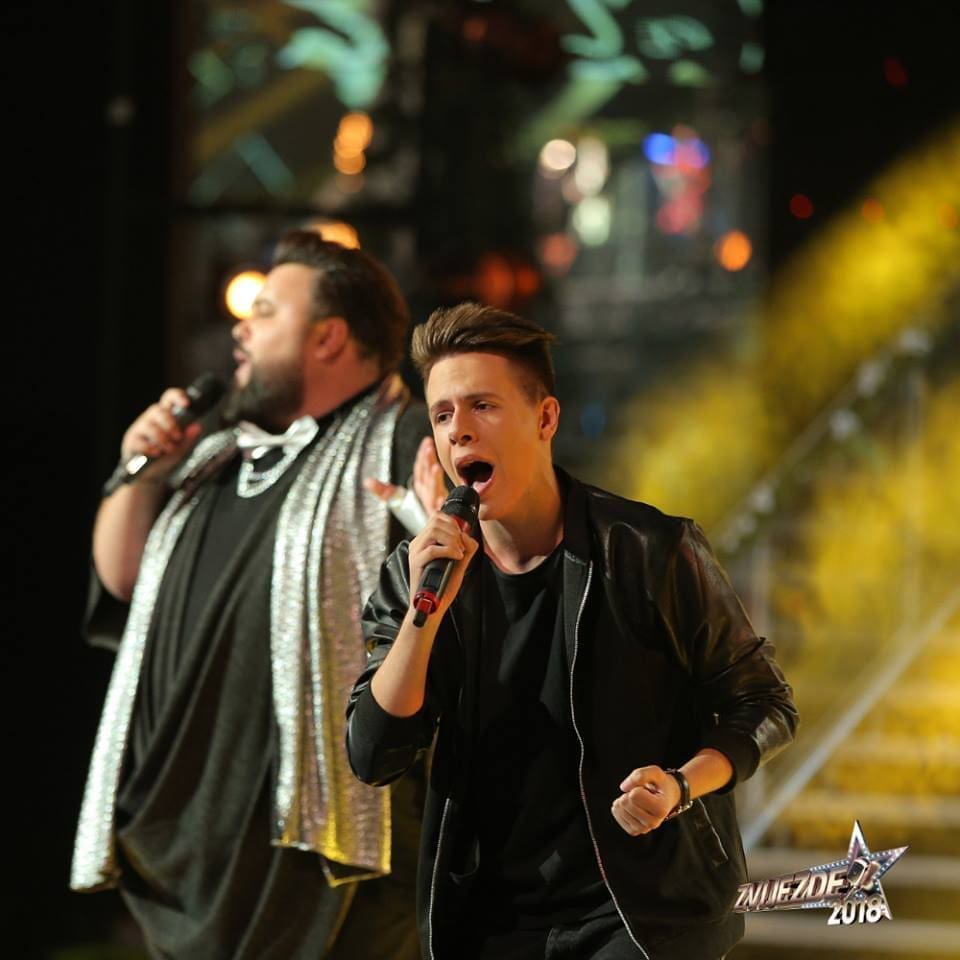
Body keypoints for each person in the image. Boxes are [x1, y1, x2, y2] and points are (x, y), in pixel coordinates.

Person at [345, 302, 800, 960]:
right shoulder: (416, 575)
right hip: (490, 922)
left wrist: (679, 785)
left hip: (639, 915)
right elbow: (374, 754)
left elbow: (764, 702)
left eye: (482, 406)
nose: (459, 431)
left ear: (545, 418)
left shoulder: (646, 550)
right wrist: (425, 616)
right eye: (442, 415)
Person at [72, 229, 442, 960]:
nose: (241, 327)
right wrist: (140, 470)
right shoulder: (212, 453)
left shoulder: (406, 444)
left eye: (266, 311)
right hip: (186, 849)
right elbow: (122, 577)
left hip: (320, 871)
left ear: (329, 337)